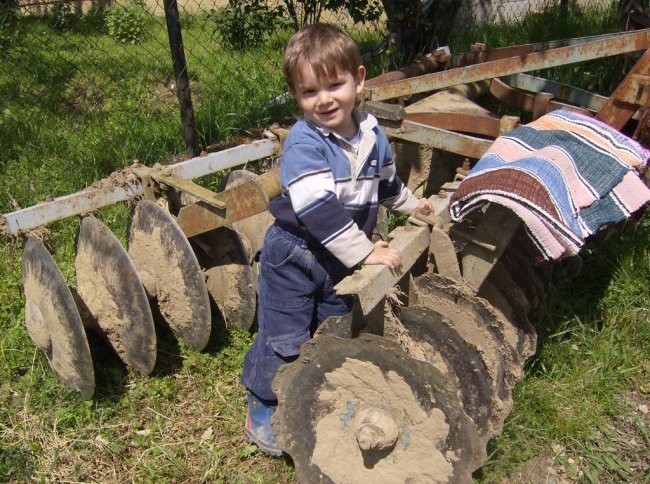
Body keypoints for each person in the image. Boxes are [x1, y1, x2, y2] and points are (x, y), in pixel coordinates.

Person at [240, 22, 433, 456]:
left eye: (335, 85)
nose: (324, 99)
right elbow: (318, 210)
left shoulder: (370, 134)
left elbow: (385, 184)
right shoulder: (305, 144)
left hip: (340, 258)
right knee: (284, 336)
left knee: (331, 326)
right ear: (296, 96)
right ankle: (264, 405)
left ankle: (316, 389)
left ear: (359, 80)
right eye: (310, 92)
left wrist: (412, 205)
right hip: (296, 252)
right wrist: (366, 252)